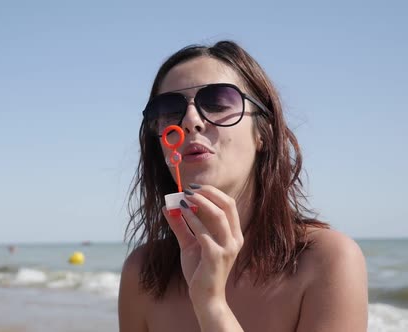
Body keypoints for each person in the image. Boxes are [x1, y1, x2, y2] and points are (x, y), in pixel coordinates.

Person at [118, 41, 368, 331]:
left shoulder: (327, 261)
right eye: (169, 110)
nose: (190, 121)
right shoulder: (143, 273)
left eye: (217, 102)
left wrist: (211, 305)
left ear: (263, 133)